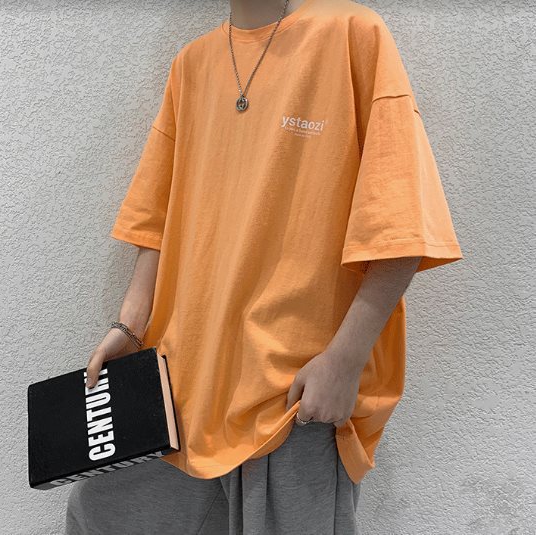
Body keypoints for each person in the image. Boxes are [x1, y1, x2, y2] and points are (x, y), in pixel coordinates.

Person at [65, 0, 463, 533]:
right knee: (96, 513)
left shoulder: (350, 34)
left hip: (293, 399)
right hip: (177, 391)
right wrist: (130, 324)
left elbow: (399, 223)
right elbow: (153, 216)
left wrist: (345, 360)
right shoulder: (192, 65)